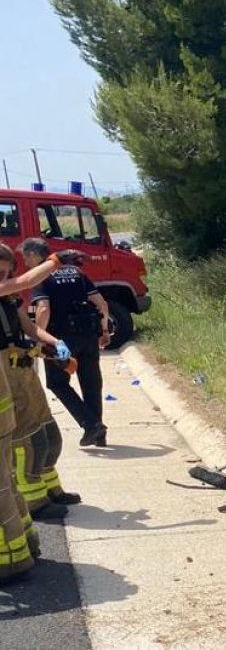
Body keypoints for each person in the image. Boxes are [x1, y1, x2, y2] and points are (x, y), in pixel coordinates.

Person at [0, 248, 80, 582]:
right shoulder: (10, 288)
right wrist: (55, 261)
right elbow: (27, 279)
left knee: (45, 437)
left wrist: (56, 343)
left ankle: (21, 551)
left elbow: (30, 330)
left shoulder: (10, 299)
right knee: (20, 454)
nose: (3, 279)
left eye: (6, 272)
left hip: (16, 379)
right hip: (9, 381)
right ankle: (18, 552)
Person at [19, 238, 111, 447]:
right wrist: (104, 330)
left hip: (60, 339)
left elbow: (43, 308)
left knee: (57, 383)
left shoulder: (41, 277)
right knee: (91, 382)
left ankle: (90, 424)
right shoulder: (76, 272)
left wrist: (39, 337)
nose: (25, 263)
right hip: (88, 334)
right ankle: (98, 430)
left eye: (26, 257)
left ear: (34, 255)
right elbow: (100, 302)